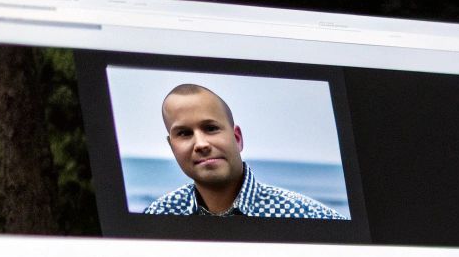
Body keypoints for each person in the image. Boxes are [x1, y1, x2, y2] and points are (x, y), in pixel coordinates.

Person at [142, 83, 345, 219]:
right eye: (184, 133)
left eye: (211, 128)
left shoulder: (306, 216)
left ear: (237, 138)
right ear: (172, 147)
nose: (201, 144)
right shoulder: (158, 215)